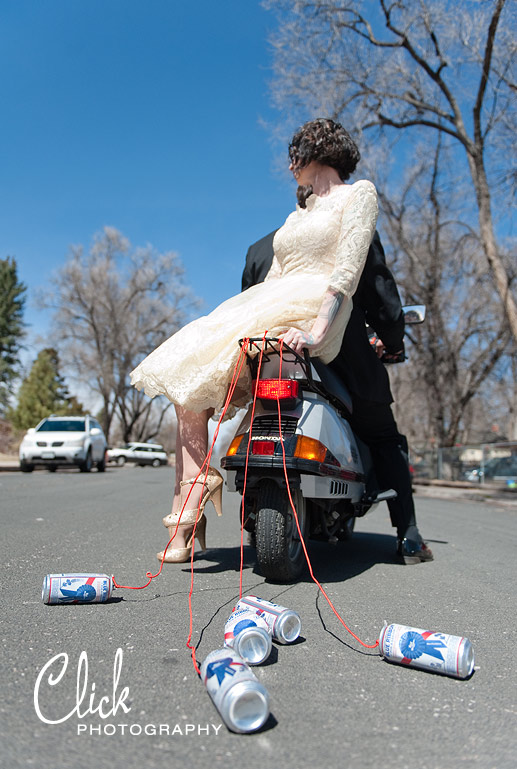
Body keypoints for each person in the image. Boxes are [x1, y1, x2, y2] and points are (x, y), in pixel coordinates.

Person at [130, 118, 378, 563]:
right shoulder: (295, 215)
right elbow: (276, 275)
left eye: (293, 156)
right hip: (272, 300)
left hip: (314, 307)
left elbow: (347, 271)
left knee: (224, 372)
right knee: (187, 380)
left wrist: (317, 329)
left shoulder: (358, 194)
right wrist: (240, 311)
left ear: (315, 149)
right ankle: (191, 503)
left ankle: (193, 514)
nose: (289, 167)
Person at [242, 220, 433, 564]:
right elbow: (382, 300)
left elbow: (249, 306)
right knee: (386, 438)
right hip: (345, 364)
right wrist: (391, 341)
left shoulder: (259, 249)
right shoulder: (351, 230)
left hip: (272, 361)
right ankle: (409, 536)